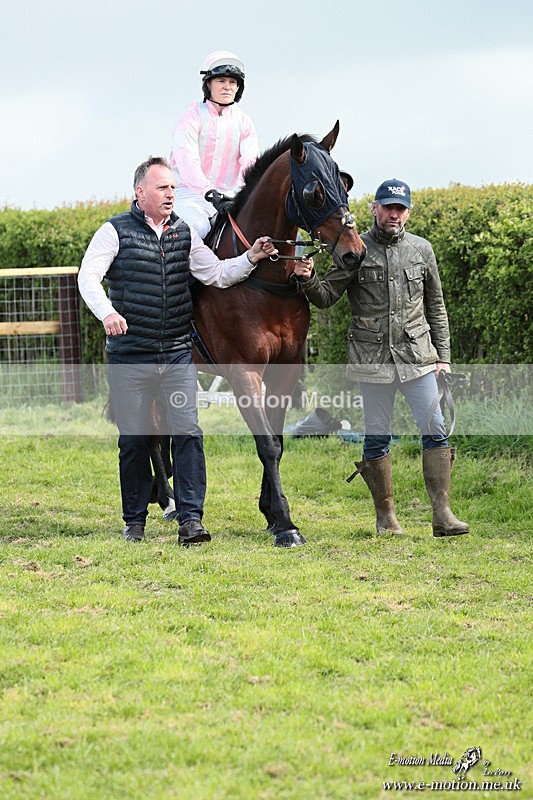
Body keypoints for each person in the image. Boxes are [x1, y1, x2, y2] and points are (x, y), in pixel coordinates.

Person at [78, 156, 277, 545]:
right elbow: (88, 277)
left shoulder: (184, 232)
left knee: (188, 433)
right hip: (130, 355)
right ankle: (134, 521)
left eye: (173, 187)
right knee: (134, 440)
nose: (171, 194)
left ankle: (191, 520)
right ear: (140, 192)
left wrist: (250, 256)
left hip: (175, 352)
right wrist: (107, 313)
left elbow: (216, 274)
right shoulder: (114, 231)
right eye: (162, 188)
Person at [293, 178, 469, 538]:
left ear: (408, 212)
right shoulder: (355, 248)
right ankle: (386, 518)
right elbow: (326, 297)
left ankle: (443, 515)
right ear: (374, 208)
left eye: (400, 208)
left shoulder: (422, 249)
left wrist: (443, 357)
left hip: (418, 358)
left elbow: (436, 307)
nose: (394, 214)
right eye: (388, 207)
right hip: (371, 361)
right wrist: (308, 279)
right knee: (377, 437)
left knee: (435, 429)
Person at [169, 50, 259, 238]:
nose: (227, 87)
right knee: (199, 226)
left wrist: (246, 192)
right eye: (221, 81)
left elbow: (250, 163)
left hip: (229, 197)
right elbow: (188, 161)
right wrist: (209, 193)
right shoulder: (192, 115)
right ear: (208, 84)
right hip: (189, 196)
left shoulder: (244, 122)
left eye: (232, 82)